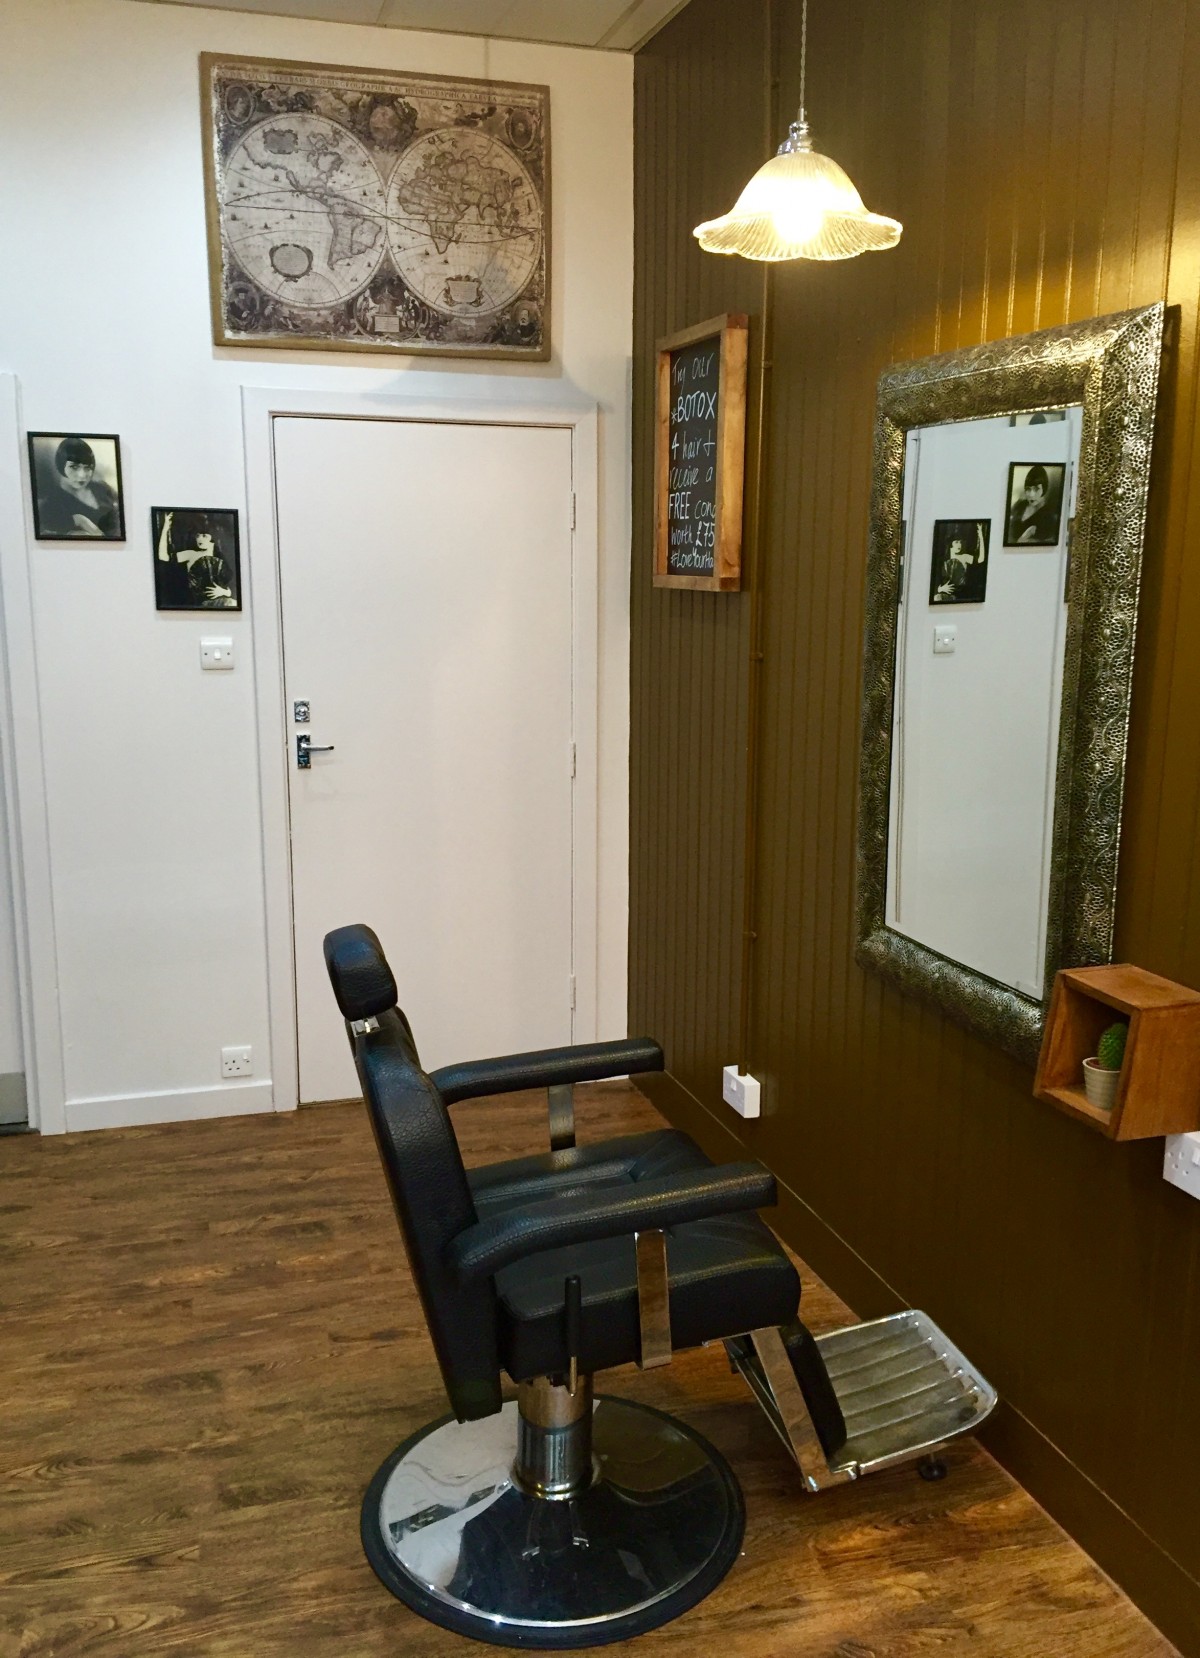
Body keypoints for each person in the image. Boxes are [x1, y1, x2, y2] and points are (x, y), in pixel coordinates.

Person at [37, 437, 121, 538]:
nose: (82, 475)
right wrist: (80, 520)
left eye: (87, 468)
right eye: (74, 467)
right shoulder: (52, 504)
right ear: (60, 464)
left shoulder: (102, 488)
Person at [156, 511, 237, 608]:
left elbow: (230, 585)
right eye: (197, 535)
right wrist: (165, 528)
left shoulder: (221, 558)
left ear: (212, 538)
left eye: (204, 536)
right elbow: (163, 556)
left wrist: (225, 592)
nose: (199, 539)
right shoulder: (191, 554)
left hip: (225, 602)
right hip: (201, 604)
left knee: (232, 603)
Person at [1007, 464, 1059, 545]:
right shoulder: (1020, 504)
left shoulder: (1048, 517)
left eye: (1036, 489)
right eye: (1028, 489)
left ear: (1044, 488)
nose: (1031, 495)